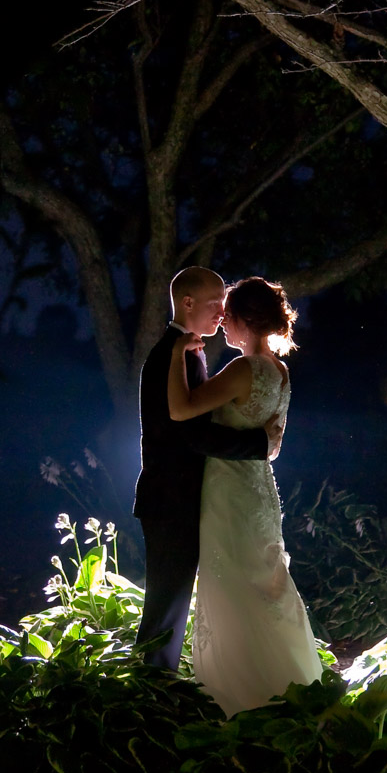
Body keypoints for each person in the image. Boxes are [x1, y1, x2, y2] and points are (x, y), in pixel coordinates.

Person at [166, 275, 324, 718]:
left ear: (244, 319)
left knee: (233, 583)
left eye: (227, 315)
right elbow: (273, 444)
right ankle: (286, 681)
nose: (222, 323)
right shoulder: (280, 372)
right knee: (263, 583)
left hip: (230, 495)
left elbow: (180, 410)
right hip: (259, 492)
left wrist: (179, 357)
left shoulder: (242, 369)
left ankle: (238, 693)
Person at [133, 267, 282, 673]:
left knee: (173, 600)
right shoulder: (171, 354)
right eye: (217, 303)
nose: (222, 311)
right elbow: (189, 436)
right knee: (167, 602)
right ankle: (148, 688)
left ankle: (155, 683)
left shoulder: (189, 350)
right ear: (187, 302)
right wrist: (259, 445)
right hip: (169, 498)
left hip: (184, 497)